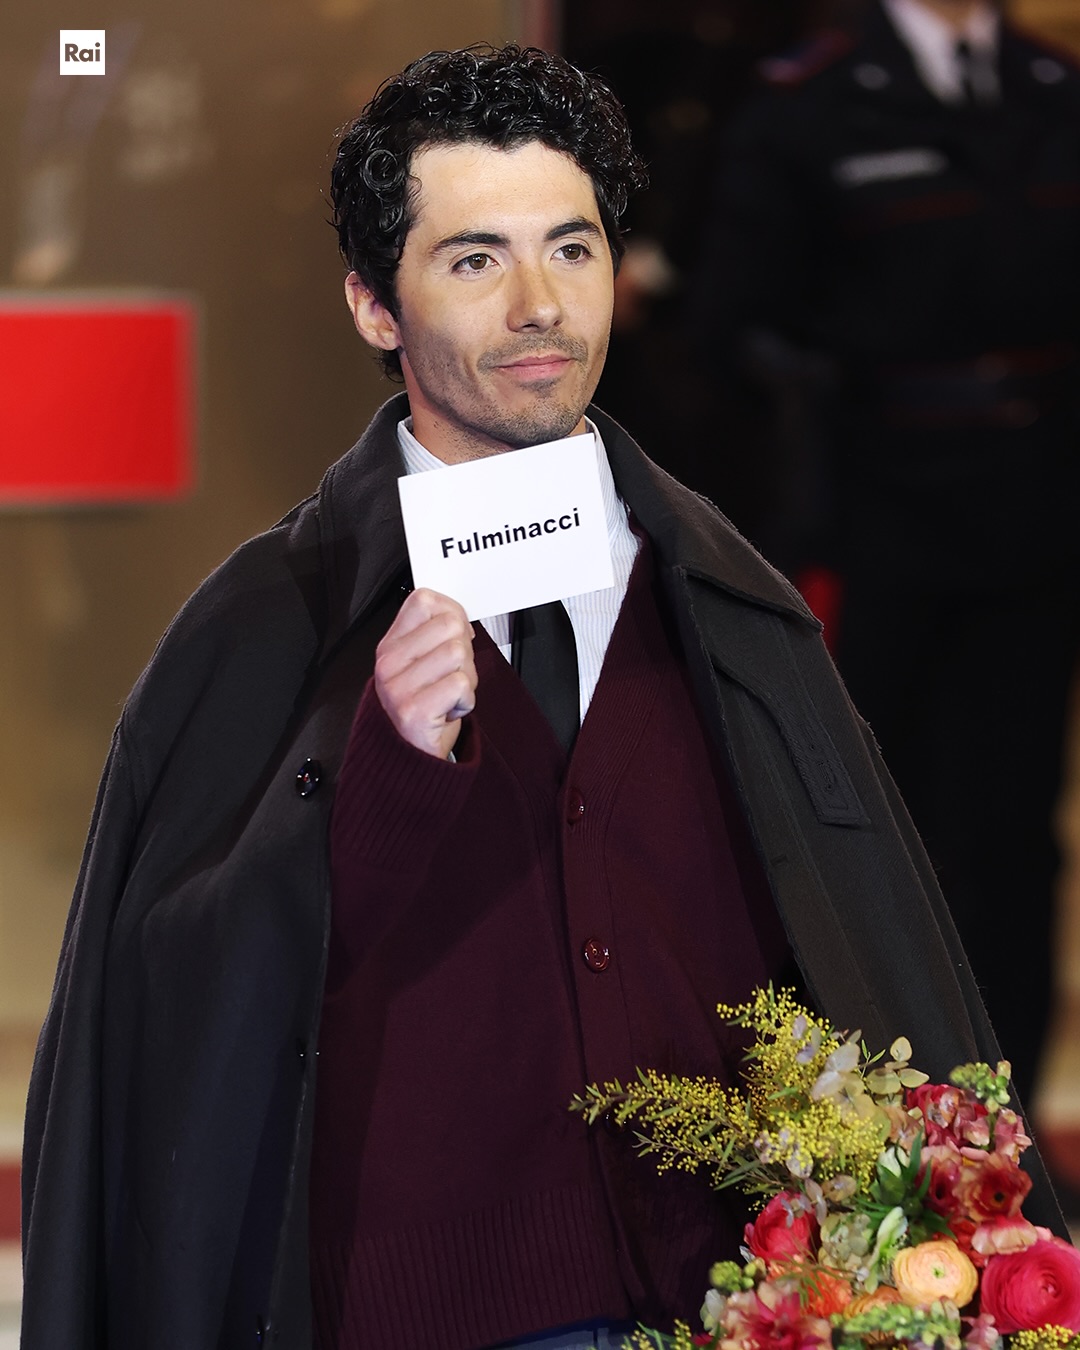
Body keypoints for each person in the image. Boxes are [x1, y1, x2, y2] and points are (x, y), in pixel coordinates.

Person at [20, 42, 1062, 1350]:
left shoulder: (730, 598)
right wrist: (383, 768)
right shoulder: (261, 629)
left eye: (571, 250)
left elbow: (859, 958)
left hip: (738, 1302)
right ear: (374, 307)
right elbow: (185, 1020)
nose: (539, 306)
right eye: (474, 260)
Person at [695, 0, 1080, 1108]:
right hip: (875, 529)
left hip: (1036, 522)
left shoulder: (1054, 92)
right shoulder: (809, 101)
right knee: (857, 830)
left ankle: (998, 1134)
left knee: (1014, 836)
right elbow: (732, 330)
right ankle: (857, 1133)